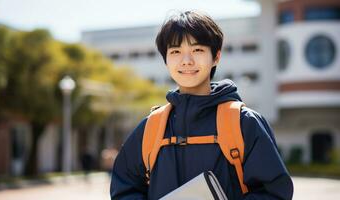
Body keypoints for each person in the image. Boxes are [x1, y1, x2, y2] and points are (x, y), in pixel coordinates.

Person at [110, 11, 293, 200]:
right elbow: (124, 188)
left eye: (197, 50)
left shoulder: (243, 122)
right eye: (175, 52)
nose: (186, 61)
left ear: (216, 57)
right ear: (166, 60)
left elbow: (274, 192)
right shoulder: (151, 127)